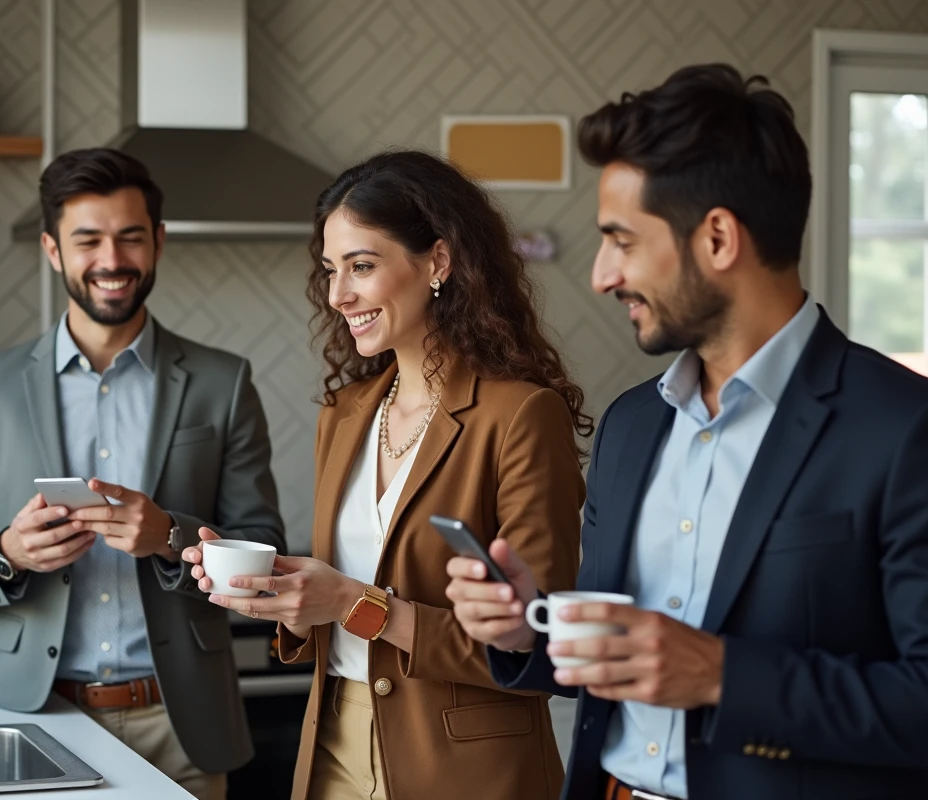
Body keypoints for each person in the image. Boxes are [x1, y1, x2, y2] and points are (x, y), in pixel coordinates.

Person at [447, 63, 928, 800]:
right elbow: (624, 657)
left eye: (622, 241)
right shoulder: (630, 426)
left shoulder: (903, 429)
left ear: (718, 238)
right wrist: (527, 631)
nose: (603, 275)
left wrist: (720, 675)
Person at [182, 150, 589, 799]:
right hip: (336, 750)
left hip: (465, 774)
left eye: (362, 266)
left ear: (437, 262)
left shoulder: (520, 417)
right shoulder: (343, 415)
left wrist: (353, 604)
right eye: (331, 270)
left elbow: (540, 647)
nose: (339, 294)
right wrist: (283, 598)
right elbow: (332, 611)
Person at [0, 147, 286, 800]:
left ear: (158, 243)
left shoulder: (222, 382)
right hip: (38, 720)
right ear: (52, 250)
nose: (111, 260)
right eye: (88, 239)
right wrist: (7, 553)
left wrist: (170, 536)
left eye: (129, 238)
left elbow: (265, 546)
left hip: (180, 727)